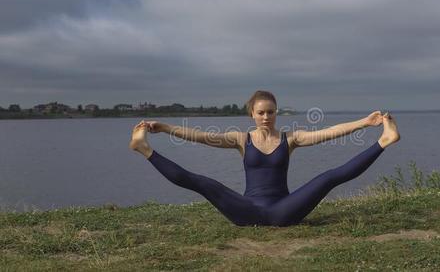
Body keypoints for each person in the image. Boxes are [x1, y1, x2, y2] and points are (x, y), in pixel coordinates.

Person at [129, 90, 400, 226]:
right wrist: (164, 127)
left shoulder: (291, 139)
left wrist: (365, 122)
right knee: (202, 182)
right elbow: (199, 136)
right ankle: (144, 148)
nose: (266, 117)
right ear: (252, 115)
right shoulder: (241, 139)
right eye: (260, 113)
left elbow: (329, 132)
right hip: (246, 210)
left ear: (276, 113)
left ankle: (384, 141)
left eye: (270, 112)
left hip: (285, 210)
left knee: (328, 177)